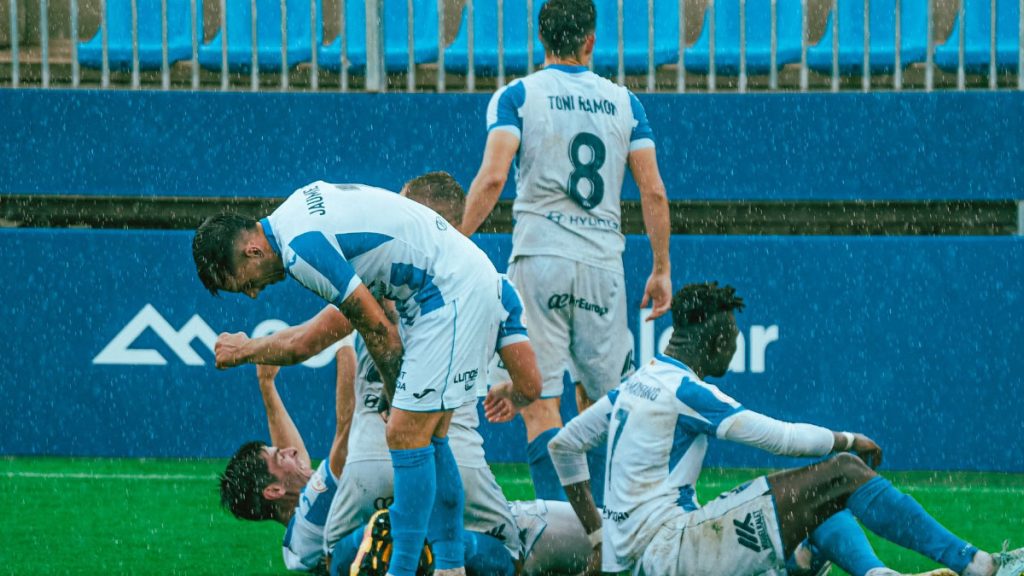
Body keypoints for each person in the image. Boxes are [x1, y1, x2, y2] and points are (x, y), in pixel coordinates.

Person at [547, 282, 1024, 576]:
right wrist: (847, 441)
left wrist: (599, 539)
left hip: (653, 553)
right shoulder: (687, 392)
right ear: (714, 339)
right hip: (673, 552)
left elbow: (564, 445)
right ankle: (978, 565)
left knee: (819, 506)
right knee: (842, 474)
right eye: (731, 340)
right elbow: (780, 439)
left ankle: (877, 572)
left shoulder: (638, 383)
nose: (733, 350)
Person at [193, 177, 526, 576]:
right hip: (458, 285)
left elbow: (379, 331)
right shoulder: (295, 213)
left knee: (404, 435)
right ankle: (450, 566)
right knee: (433, 438)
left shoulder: (301, 253)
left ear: (252, 250)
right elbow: (318, 338)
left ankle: (409, 569)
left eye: (245, 283)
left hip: (447, 295)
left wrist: (396, 390)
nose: (253, 294)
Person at [460, 0, 672, 504]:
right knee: (603, 404)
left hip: (539, 260)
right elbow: (654, 192)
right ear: (591, 41)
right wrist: (661, 268)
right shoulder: (625, 103)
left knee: (537, 400)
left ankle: (561, 531)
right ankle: (605, 526)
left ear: (541, 40)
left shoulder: (518, 96)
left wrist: (457, 239)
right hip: (603, 263)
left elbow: (492, 178)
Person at [218, 347, 357, 574]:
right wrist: (345, 344)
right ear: (274, 490)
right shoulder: (311, 516)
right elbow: (348, 428)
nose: (291, 450)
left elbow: (297, 470)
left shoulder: (299, 530)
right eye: (280, 456)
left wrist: (266, 384)